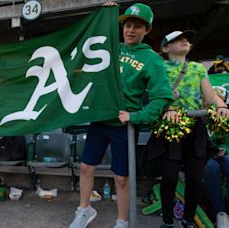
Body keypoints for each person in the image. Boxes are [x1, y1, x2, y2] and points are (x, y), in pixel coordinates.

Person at [70, 3, 173, 228]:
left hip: (124, 126)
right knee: (86, 167)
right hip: (99, 120)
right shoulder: (111, 48)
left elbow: (162, 97)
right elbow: (90, 39)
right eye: (127, 25)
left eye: (137, 26)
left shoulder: (152, 59)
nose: (130, 30)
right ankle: (85, 210)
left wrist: (135, 117)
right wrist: (104, 11)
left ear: (147, 30)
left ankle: (122, 221)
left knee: (122, 178)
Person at [156, 30, 229, 228]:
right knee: (169, 176)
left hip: (196, 126)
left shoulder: (198, 68)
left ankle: (188, 220)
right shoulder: (158, 67)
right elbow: (153, 95)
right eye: (177, 39)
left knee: (195, 178)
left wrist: (221, 105)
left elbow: (210, 95)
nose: (184, 40)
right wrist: (167, 105)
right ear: (166, 48)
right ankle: (167, 221)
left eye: (186, 39)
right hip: (171, 126)